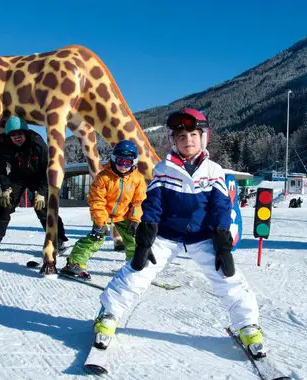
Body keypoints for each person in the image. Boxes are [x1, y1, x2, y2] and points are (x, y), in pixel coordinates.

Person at [92, 108, 264, 357]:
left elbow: (221, 206)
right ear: (174, 141)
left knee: (229, 278)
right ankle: (108, 314)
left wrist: (223, 240)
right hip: (167, 235)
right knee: (137, 271)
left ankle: (247, 325)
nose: (188, 141)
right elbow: (153, 204)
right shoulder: (164, 169)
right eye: (181, 137)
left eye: (193, 134)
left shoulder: (214, 170)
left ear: (204, 136)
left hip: (202, 235)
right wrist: (145, 238)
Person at [61, 140, 146, 277]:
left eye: (128, 162)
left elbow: (138, 201)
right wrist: (100, 223)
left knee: (133, 240)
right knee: (96, 239)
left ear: (134, 162)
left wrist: (135, 219)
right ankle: (74, 263)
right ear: (113, 159)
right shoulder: (103, 177)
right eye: (120, 161)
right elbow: (96, 200)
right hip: (104, 214)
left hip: (123, 215)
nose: (123, 166)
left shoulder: (137, 179)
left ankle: (133, 265)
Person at [0, 116, 68, 254]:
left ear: (25, 133)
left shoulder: (37, 143)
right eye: (13, 134)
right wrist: (5, 187)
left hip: (39, 176)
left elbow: (48, 168)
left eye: (20, 133)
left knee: (43, 207)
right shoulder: (3, 144)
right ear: (8, 135)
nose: (17, 137)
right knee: (4, 203)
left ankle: (57, 239)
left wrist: (41, 192)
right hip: (18, 176)